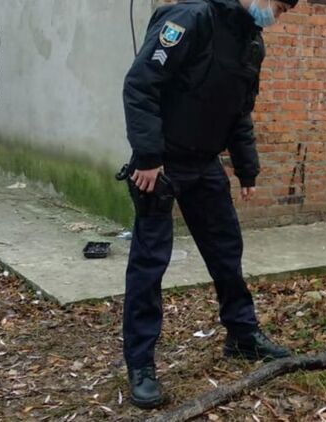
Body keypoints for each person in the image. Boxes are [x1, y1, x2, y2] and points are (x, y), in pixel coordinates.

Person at [121, 0, 298, 409]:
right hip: (162, 165)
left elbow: (239, 112)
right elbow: (140, 85)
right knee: (150, 263)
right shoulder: (191, 19)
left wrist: (246, 168)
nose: (278, 16)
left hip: (204, 164)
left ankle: (242, 335)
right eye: (278, 6)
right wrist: (147, 156)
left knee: (226, 251)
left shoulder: (250, 41)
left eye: (285, 11)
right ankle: (141, 363)